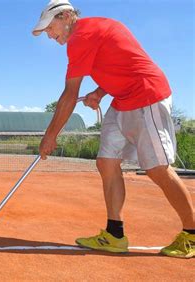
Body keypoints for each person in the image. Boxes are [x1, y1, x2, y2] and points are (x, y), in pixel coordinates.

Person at [32, 0, 194, 258]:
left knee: (157, 168)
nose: (49, 35)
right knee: (106, 162)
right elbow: (122, 64)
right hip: (122, 100)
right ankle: (114, 234)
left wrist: (50, 136)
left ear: (65, 16)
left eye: (50, 28)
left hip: (147, 96)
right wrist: (98, 91)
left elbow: (69, 95)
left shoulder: (81, 36)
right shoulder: (94, 30)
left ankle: (192, 235)